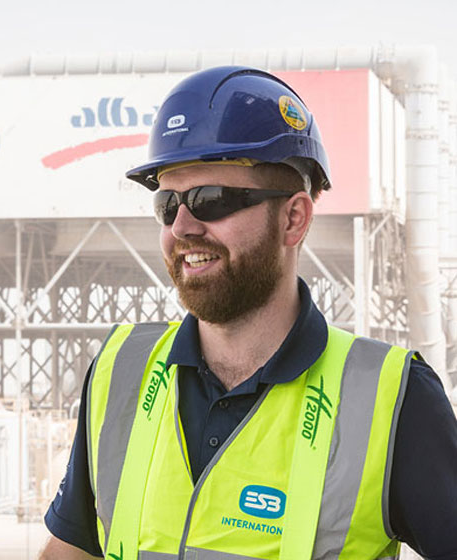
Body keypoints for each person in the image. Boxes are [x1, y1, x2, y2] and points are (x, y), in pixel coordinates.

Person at [40, 66, 457, 559]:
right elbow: (69, 551)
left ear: (294, 218)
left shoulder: (391, 399)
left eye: (210, 200)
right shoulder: (119, 371)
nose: (183, 227)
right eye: (168, 204)